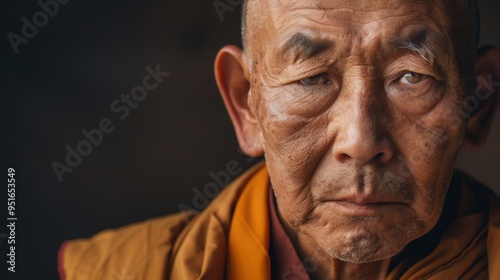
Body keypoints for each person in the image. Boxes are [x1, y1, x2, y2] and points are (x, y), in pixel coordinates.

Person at [58, 0, 500, 279]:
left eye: (411, 77)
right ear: (245, 104)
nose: (360, 140)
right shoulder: (121, 270)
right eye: (311, 79)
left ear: (477, 102)